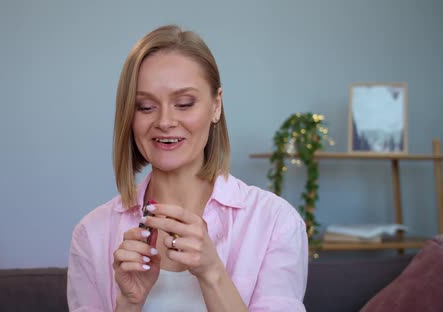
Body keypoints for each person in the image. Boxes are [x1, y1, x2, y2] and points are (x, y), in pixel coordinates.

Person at [67, 25, 308, 311]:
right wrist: (130, 303)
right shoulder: (91, 234)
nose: (165, 121)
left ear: (216, 105)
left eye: (184, 103)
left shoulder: (276, 223)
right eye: (145, 107)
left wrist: (212, 273)